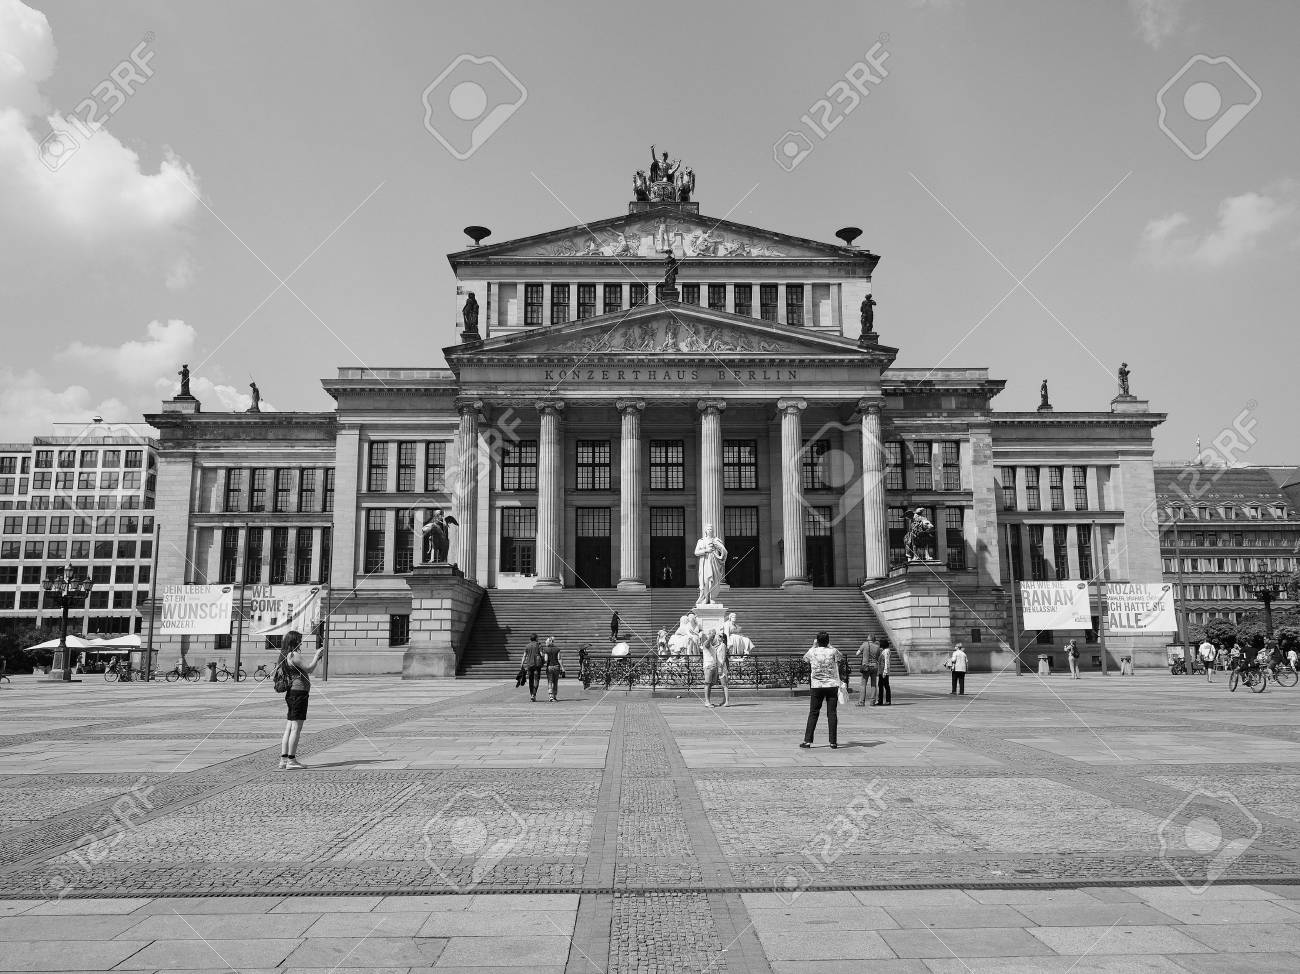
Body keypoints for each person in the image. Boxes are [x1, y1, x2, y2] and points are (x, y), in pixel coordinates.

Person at [277, 630, 326, 771]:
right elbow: (309, 669)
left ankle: (284, 759)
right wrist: (317, 655)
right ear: (294, 641)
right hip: (299, 693)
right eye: (299, 639)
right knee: (296, 729)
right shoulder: (294, 655)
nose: (301, 642)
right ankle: (291, 760)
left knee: (289, 727)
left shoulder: (285, 655)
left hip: (292, 693)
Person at [801, 631, 843, 749]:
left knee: (813, 713)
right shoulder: (833, 651)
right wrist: (829, 645)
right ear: (828, 641)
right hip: (831, 685)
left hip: (817, 686)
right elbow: (840, 657)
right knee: (832, 713)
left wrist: (814, 646)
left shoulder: (812, 651)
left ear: (817, 640)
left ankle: (807, 741)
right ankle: (833, 742)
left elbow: (805, 659)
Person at [702, 628, 729, 708]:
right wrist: (711, 635)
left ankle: (709, 701)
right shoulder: (706, 643)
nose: (714, 637)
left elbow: (723, 656)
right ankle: (707, 702)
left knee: (710, 684)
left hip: (714, 666)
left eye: (715, 636)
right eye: (713, 636)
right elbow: (707, 643)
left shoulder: (714, 645)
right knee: (707, 683)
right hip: (708, 666)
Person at [856, 635, 881, 706]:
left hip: (866, 666)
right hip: (874, 666)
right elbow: (878, 656)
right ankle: (872, 702)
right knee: (873, 684)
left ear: (868, 639)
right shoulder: (877, 646)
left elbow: (857, 654)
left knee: (863, 685)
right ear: (874, 640)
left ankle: (861, 702)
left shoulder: (864, 644)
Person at [522, 633, 543, 702]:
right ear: (536, 638)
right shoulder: (539, 645)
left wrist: (522, 663)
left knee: (531, 680)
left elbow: (524, 655)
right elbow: (542, 654)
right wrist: (543, 661)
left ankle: (531, 694)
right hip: (537, 665)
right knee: (536, 679)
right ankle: (534, 694)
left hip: (529, 665)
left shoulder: (527, 646)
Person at [542, 636, 563, 702]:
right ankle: (555, 696)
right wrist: (562, 667)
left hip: (549, 667)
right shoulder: (557, 649)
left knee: (550, 681)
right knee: (555, 682)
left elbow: (546, 659)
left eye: (546, 641)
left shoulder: (546, 649)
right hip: (556, 666)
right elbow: (559, 659)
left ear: (549, 642)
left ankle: (550, 696)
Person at [875, 638, 893, 706]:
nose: (879, 645)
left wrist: (885, 672)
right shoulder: (885, 651)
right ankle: (881, 700)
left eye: (880, 644)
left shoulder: (886, 651)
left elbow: (887, 662)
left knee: (885, 686)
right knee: (881, 685)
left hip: (883, 672)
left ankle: (886, 700)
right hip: (881, 671)